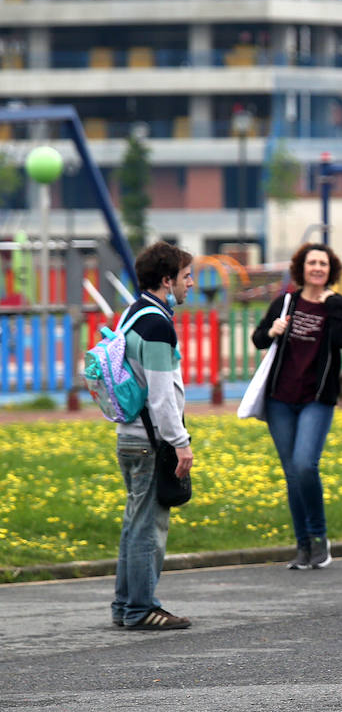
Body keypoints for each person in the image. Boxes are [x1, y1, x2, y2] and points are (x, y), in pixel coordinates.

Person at [251, 243, 342, 570]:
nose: (317, 268)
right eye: (312, 263)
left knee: (305, 465)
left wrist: (334, 305)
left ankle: (319, 537)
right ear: (302, 267)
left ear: (330, 269)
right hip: (280, 399)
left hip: (317, 399)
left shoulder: (337, 304)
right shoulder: (286, 303)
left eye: (323, 264)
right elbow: (257, 339)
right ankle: (302, 545)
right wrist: (273, 329)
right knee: (292, 473)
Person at [111, 241, 195, 630]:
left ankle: (126, 604)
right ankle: (141, 608)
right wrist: (181, 443)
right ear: (167, 280)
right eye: (186, 276)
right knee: (149, 527)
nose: (190, 283)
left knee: (134, 522)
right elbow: (162, 397)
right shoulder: (157, 325)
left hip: (128, 435)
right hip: (149, 440)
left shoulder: (132, 313)